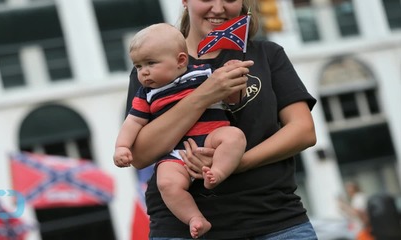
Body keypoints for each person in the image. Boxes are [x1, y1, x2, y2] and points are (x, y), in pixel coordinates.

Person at [114, 0, 318, 239]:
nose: (219, 8)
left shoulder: (267, 54)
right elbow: (139, 155)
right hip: (182, 230)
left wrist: (234, 163)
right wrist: (204, 95)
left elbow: (303, 131)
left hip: (276, 220)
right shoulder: (152, 68)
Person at [113, 23, 247, 238]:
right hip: (176, 152)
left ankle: (218, 172)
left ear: (180, 60)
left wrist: (236, 78)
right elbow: (132, 123)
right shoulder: (146, 94)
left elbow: (230, 100)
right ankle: (194, 217)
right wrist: (122, 146)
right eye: (138, 66)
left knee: (234, 136)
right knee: (166, 182)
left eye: (150, 63)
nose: (143, 72)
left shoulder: (204, 73)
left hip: (213, 136)